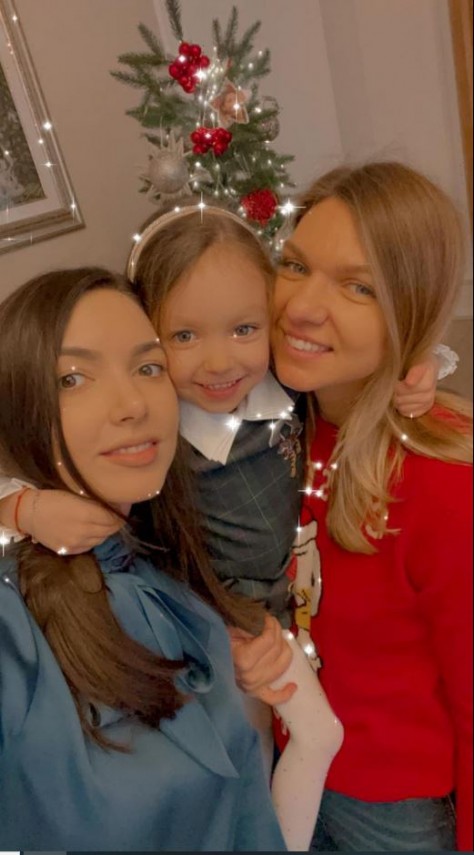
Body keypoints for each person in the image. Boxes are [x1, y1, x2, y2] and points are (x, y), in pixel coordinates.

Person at [0, 206, 442, 850]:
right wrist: (24, 509)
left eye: (145, 367)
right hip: (224, 615)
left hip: (274, 629)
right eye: (181, 338)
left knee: (294, 744)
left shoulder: (285, 391)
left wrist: (420, 365)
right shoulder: (157, 453)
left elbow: (353, 360)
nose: (130, 404)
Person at [0, 267, 287, 852]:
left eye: (149, 368)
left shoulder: (164, 569)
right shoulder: (12, 630)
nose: (133, 403)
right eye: (73, 379)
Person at [266, 161, 472, 852]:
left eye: (357, 286)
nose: (301, 306)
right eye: (295, 266)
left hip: (392, 812)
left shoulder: (443, 482)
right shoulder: (269, 425)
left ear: (407, 309)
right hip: (288, 767)